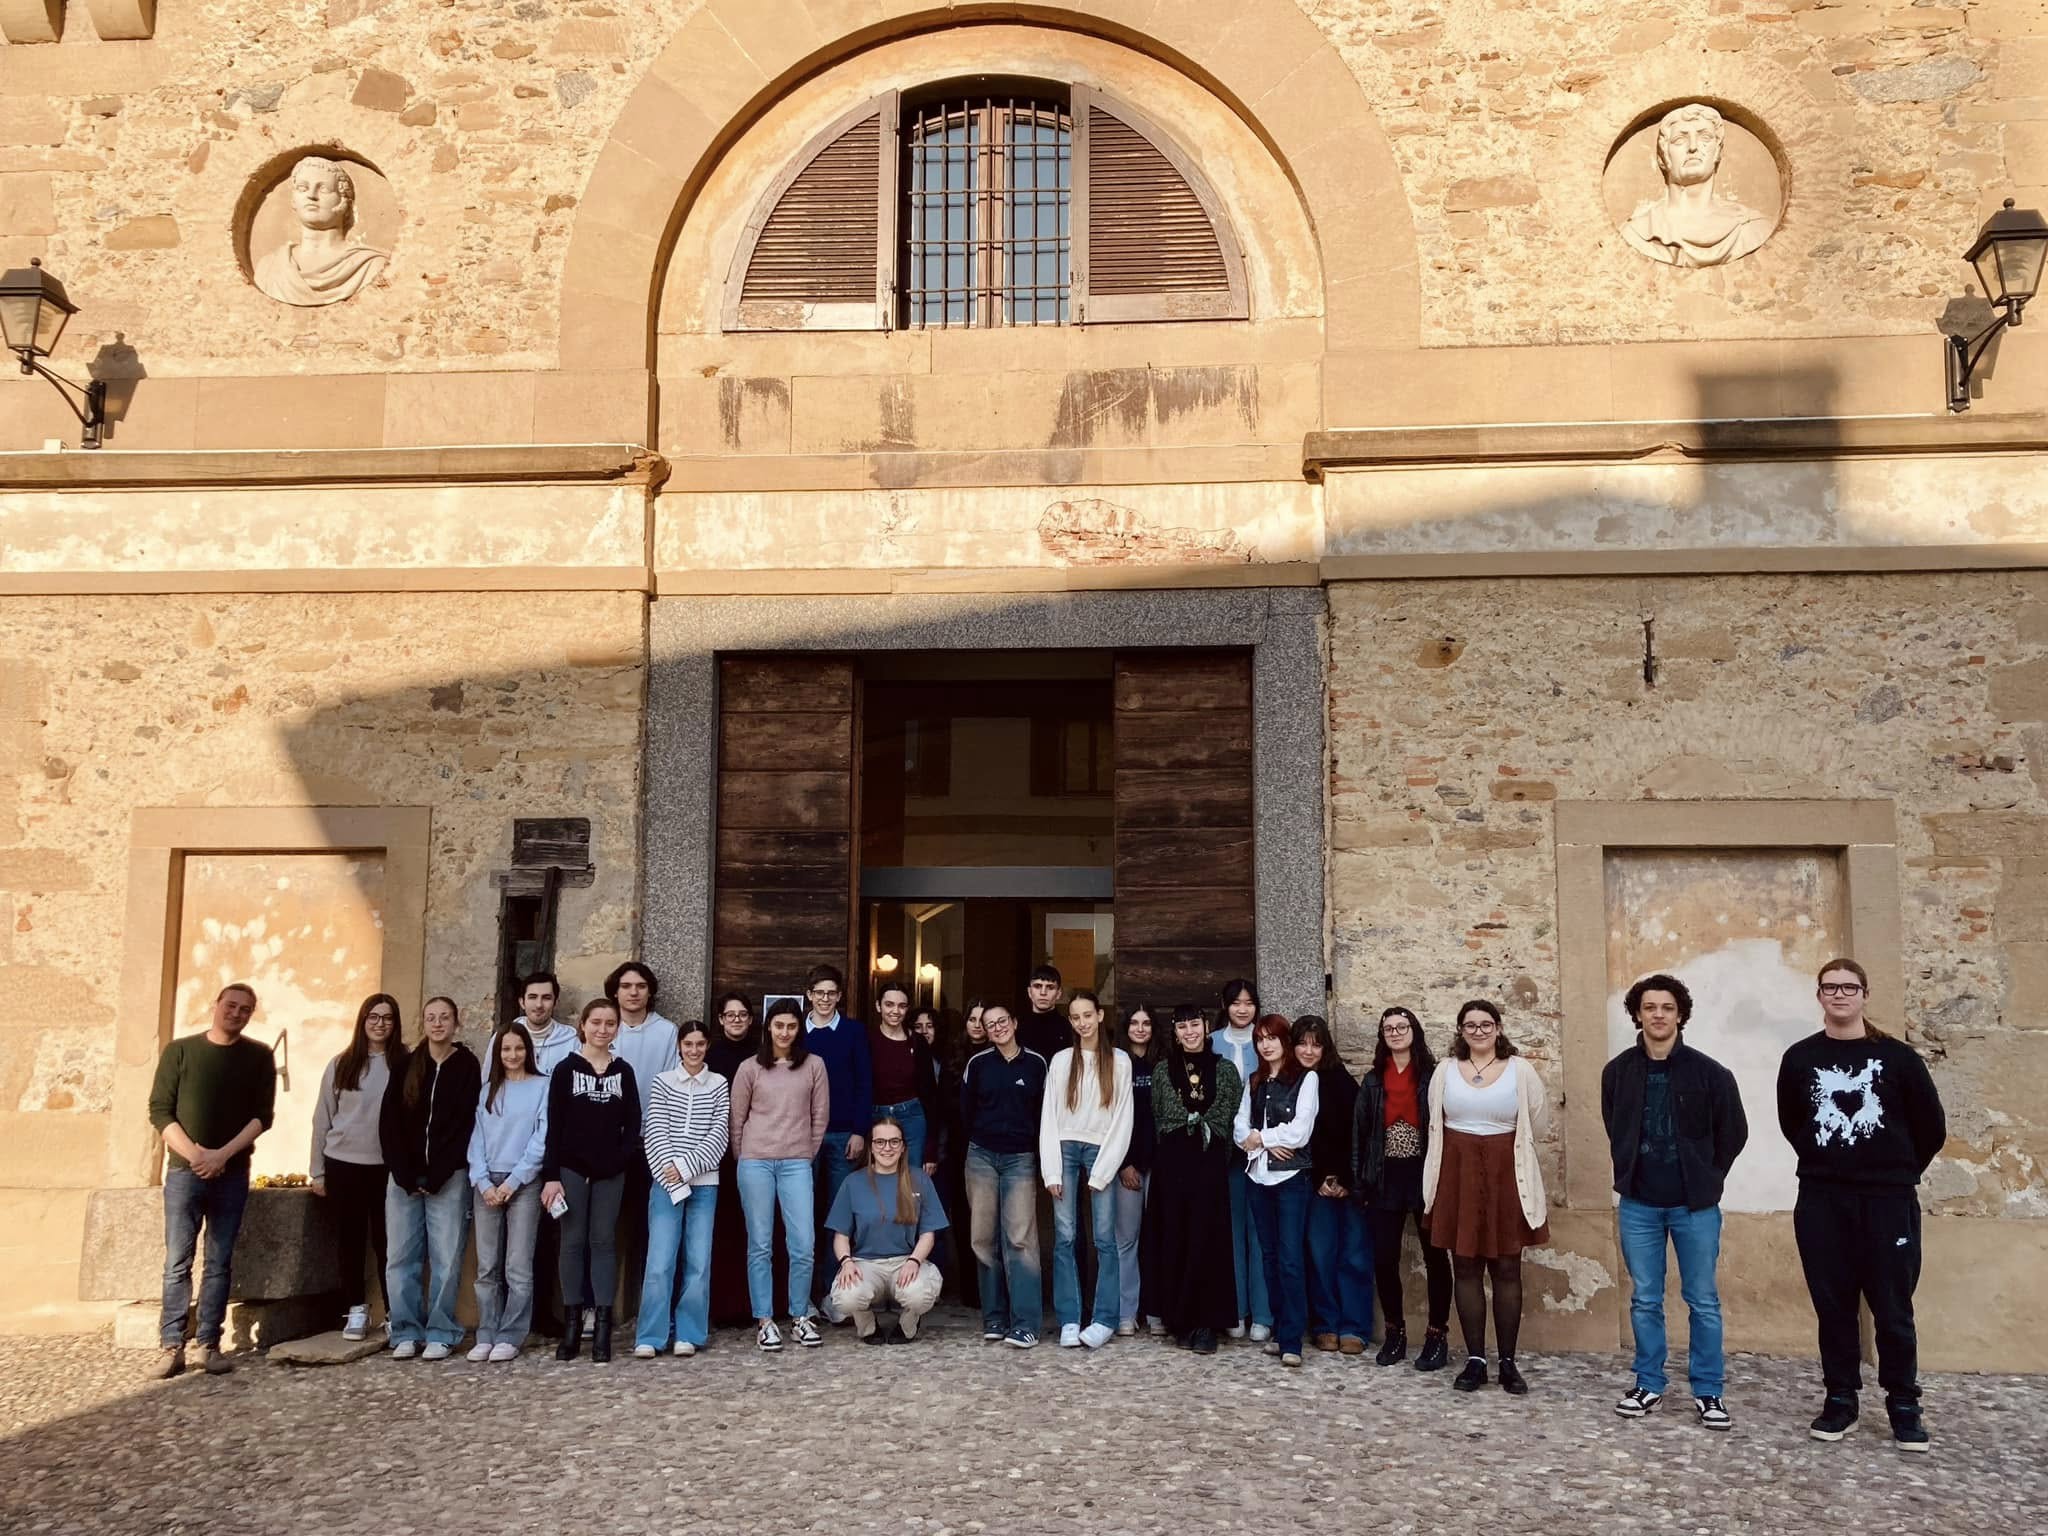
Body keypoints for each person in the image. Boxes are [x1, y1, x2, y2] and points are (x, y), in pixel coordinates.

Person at [1777, 957, 1946, 1452]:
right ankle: (1841, 1400)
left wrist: (1894, 1170)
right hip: (1823, 1199)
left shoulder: (1898, 1059)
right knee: (1834, 1307)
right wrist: (1826, 1160)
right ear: (1820, 996)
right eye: (1831, 987)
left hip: (1887, 1200)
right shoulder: (1800, 1058)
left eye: (1849, 987)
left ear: (1864, 995)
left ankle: (1904, 1405)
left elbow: (1930, 1126)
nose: (1840, 995)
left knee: (1893, 1307)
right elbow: (1793, 1121)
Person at [1603, 972, 1749, 1430]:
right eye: (1650, 1008)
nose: (1658, 1015)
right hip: (1639, 1204)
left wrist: (1707, 1176)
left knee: (1702, 1299)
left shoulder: (1710, 1073)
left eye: (1667, 1007)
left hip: (1695, 1206)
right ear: (1638, 1015)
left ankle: (1709, 1391)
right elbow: (1616, 1126)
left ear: (1680, 1014)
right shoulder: (1619, 1071)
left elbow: (1734, 1133)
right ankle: (1649, 1382)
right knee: (1645, 1298)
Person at [147, 982, 276, 1378]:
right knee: (177, 1262)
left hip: (232, 1173)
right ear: (216, 1006)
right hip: (185, 1172)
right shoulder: (180, 1051)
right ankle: (171, 1347)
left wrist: (221, 1156)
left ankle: (208, 1344)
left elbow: (262, 1117)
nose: (236, 1013)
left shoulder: (258, 1057)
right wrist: (197, 1155)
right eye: (231, 1006)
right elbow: (160, 1111)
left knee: (219, 1262)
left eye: (245, 1009)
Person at [1423, 999, 1550, 1395]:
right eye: (1470, 1025)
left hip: (1506, 1173)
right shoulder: (1444, 1071)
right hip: (1457, 1173)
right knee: (1465, 1266)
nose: (1478, 1031)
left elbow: (1538, 1122)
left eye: (1486, 1024)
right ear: (1460, 1031)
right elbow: (1435, 1122)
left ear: (1498, 1028)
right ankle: (1475, 1359)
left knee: (1507, 1267)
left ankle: (1508, 1362)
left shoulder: (1520, 1070)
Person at [539, 998, 641, 1364]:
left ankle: (601, 1327)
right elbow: (554, 1125)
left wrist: (620, 1158)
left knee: (603, 1241)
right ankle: (571, 1325)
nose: (602, 1029)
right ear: (582, 1026)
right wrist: (551, 1176)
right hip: (570, 1169)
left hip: (610, 1171)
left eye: (610, 1023)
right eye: (595, 1022)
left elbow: (633, 1124)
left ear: (617, 1028)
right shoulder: (566, 1070)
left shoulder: (623, 1072)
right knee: (572, 1241)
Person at [380, 994, 481, 1362]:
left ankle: (441, 1330)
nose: (437, 1023)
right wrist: (405, 1173)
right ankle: (406, 1330)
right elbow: (389, 1124)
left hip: (447, 1177)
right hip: (404, 1179)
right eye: (431, 1018)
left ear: (456, 1023)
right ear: (423, 1023)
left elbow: (466, 1123)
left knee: (447, 1257)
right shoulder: (406, 1064)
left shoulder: (467, 1066)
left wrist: (439, 1172)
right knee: (401, 1257)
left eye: (444, 1017)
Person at [1352, 1006, 1453, 1371]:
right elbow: (1360, 1134)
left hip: (1424, 1174)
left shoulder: (1433, 1076)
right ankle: (1394, 1332)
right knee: (1384, 1257)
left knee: (1436, 1258)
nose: (1395, 1032)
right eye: (1388, 1028)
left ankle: (1437, 1335)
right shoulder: (1373, 1081)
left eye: (1401, 1026)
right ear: (1382, 1036)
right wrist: (1359, 1180)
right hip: (1384, 1175)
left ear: (1414, 1031)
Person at [732, 998, 830, 1352]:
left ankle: (799, 1316)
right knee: (760, 1244)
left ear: (798, 1029)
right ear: (768, 1028)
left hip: (796, 1163)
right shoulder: (750, 1068)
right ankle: (765, 1320)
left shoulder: (814, 1066)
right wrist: (744, 1157)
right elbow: (737, 1118)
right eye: (779, 1026)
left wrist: (806, 1152)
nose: (785, 1032)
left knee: (802, 1243)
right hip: (756, 1161)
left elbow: (820, 1116)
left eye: (791, 1026)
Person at [1145, 1003, 1242, 1354]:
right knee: (1176, 1237)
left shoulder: (1226, 1070)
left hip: (1210, 1164)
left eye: (1195, 1024)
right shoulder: (1162, 1070)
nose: (1190, 1031)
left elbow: (1226, 1113)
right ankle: (1178, 1320)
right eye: (1182, 1026)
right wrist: (1189, 1121)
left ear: (1205, 1027)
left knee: (1207, 1240)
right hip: (1173, 1165)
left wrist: (1201, 1125)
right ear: (1175, 1031)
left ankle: (1206, 1323)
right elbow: (1163, 1114)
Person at [1040, 990, 1133, 1350]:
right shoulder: (1062, 1061)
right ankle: (1069, 1318)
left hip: (1101, 1150)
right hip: (1064, 1148)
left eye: (1087, 1015)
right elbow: (1049, 1115)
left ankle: (1105, 1318)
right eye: (1075, 1017)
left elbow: (1123, 1120)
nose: (1082, 1022)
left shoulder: (1119, 1062)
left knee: (1104, 1238)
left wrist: (1104, 1170)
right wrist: (1051, 1171)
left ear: (1100, 1016)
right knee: (1065, 1237)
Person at [310, 992, 406, 1341]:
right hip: (343, 1164)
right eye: (373, 1016)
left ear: (395, 1024)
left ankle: (395, 1311)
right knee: (349, 1241)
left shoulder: (404, 1063)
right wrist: (317, 1170)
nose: (380, 1023)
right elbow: (322, 1118)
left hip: (386, 1167)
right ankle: (356, 1309)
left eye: (387, 1017)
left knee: (388, 1241)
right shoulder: (342, 1063)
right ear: (363, 1021)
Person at [634, 1020, 730, 1359]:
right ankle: (651, 1334)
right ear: (679, 1046)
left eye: (699, 1044)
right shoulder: (662, 1083)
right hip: (665, 1183)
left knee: (698, 1261)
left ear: (707, 1047)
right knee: (660, 1260)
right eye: (688, 1044)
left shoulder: (719, 1084)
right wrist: (670, 1173)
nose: (693, 1050)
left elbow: (719, 1136)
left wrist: (687, 1168)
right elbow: (656, 1129)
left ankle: (689, 1332)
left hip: (704, 1184)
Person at [961, 1002, 1048, 1348]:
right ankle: (994, 1317)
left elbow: (1044, 1114)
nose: (997, 1028)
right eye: (989, 1024)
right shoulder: (977, 1064)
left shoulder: (1037, 1063)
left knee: (1020, 1239)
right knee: (982, 1239)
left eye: (1002, 1021)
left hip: (1020, 1158)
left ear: (1014, 1022)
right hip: (981, 1155)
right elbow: (966, 1113)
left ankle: (1026, 1322)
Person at [1235, 1013, 1319, 1367]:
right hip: (1258, 1178)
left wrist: (1262, 1138)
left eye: (1272, 1038)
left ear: (1285, 1041)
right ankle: (1280, 1328)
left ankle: (1292, 1340)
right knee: (1269, 1258)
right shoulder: (1254, 1081)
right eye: (1260, 1039)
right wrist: (1260, 1143)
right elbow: (1240, 1127)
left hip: (1290, 1181)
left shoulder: (1306, 1078)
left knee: (1289, 1259)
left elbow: (1300, 1132)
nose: (1266, 1044)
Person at [825, 1116, 950, 1343]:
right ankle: (866, 1325)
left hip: (906, 1261)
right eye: (880, 1142)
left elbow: (928, 1233)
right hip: (865, 1264)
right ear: (871, 1147)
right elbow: (841, 1235)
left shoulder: (919, 1179)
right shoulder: (853, 1182)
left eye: (894, 1142)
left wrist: (914, 1261)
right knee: (846, 1298)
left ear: (903, 1147)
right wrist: (846, 1262)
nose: (887, 1148)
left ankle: (909, 1323)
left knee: (919, 1295)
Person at [466, 1021, 549, 1362]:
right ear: (497, 1054)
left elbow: (541, 1138)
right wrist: (484, 1183)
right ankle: (486, 1331)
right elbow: (475, 1141)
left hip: (523, 1182)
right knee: (487, 1265)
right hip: (487, 1183)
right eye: (505, 1049)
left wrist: (513, 1182)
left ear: (527, 1051)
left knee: (517, 1264)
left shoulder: (542, 1087)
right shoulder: (486, 1091)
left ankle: (511, 1334)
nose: (512, 1055)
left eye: (518, 1048)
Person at [606, 960, 680, 1329]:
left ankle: (651, 1312)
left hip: (652, 1142)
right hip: (607, 1143)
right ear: (615, 991)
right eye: (626, 986)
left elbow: (667, 1084)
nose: (633, 992)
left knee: (653, 1229)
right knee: (604, 1229)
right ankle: (599, 1309)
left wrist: (653, 1133)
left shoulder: (666, 1032)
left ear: (650, 991)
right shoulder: (604, 1029)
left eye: (640, 986)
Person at [1294, 1015, 1372, 1356]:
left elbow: (1355, 1135)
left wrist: (1342, 1179)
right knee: (1319, 1254)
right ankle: (1325, 1323)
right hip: (1314, 1183)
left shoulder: (1342, 1084)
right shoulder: (1290, 1083)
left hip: (1347, 1183)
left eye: (1316, 1043)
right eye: (1302, 1042)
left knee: (1354, 1255)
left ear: (1325, 1047)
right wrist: (1321, 1179)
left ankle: (1354, 1326)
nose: (1309, 1050)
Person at [801, 964, 872, 1308]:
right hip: (802, 1138)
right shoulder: (795, 1032)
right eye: (819, 993)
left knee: (838, 1215)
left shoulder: (854, 1032)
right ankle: (804, 1294)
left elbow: (864, 1083)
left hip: (844, 1134)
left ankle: (832, 1291)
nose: (825, 999)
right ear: (809, 995)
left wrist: (861, 1130)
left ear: (840, 996)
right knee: (804, 1214)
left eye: (831, 993)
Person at [1211, 978, 1271, 1342]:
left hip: (1260, 1147)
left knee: (1259, 1230)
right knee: (1230, 1232)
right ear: (1225, 1004)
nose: (1243, 1009)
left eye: (1249, 1002)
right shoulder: (1211, 1042)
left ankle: (1263, 1314)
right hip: (1222, 1151)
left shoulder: (1266, 1041)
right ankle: (1235, 1310)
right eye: (1236, 1003)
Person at [706, 991, 759, 1329]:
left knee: (753, 1227)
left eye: (743, 1014)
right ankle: (722, 1306)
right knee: (723, 1227)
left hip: (755, 1149)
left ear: (751, 1020)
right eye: (731, 1015)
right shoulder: (709, 1056)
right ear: (721, 1020)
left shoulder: (760, 1055)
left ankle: (753, 1303)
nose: (737, 1019)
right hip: (717, 1152)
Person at [1114, 1003, 1161, 1336]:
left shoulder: (1163, 1064)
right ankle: (1126, 1312)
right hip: (1127, 1165)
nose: (1140, 1028)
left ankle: (1157, 1311)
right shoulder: (1116, 1064)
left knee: (1159, 1237)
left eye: (1146, 1023)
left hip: (1160, 1164)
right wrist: (1123, 1163)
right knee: (1126, 1240)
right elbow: (1110, 1119)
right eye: (1134, 1022)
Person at [868, 982, 944, 1174]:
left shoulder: (918, 1043)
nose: (895, 1011)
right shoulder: (866, 1040)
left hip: (912, 1116)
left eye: (902, 1006)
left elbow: (931, 1097)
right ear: (878, 1006)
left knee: (912, 1181)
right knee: (878, 1179)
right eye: (889, 1004)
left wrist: (930, 1150)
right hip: (876, 1117)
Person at [502, 970, 580, 1076]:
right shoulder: (503, 1037)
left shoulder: (571, 1043)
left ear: (555, 1003)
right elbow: (490, 1078)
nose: (539, 1004)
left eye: (546, 998)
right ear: (522, 1002)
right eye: (533, 997)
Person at [1018, 964, 1071, 1060]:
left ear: (1059, 994)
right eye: (1037, 986)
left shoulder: (1068, 1028)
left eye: (1050, 987)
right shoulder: (1017, 1026)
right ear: (1029, 992)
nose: (1043, 992)